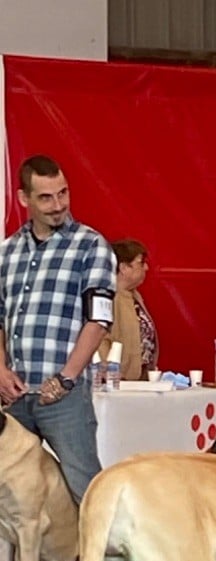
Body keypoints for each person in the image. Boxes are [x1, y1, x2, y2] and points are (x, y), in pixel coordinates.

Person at [0, 154, 115, 504]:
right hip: (14, 395)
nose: (58, 205)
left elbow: (99, 320)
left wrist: (67, 377)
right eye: (46, 197)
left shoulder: (91, 245)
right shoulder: (7, 252)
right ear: (24, 199)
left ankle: (98, 543)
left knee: (86, 489)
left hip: (64, 396)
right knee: (9, 495)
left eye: (63, 193)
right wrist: (1, 369)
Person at [100, 239, 158, 380]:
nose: (146, 268)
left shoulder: (134, 296)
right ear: (124, 267)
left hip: (139, 380)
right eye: (141, 263)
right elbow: (99, 339)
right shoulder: (108, 297)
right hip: (117, 381)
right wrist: (108, 370)